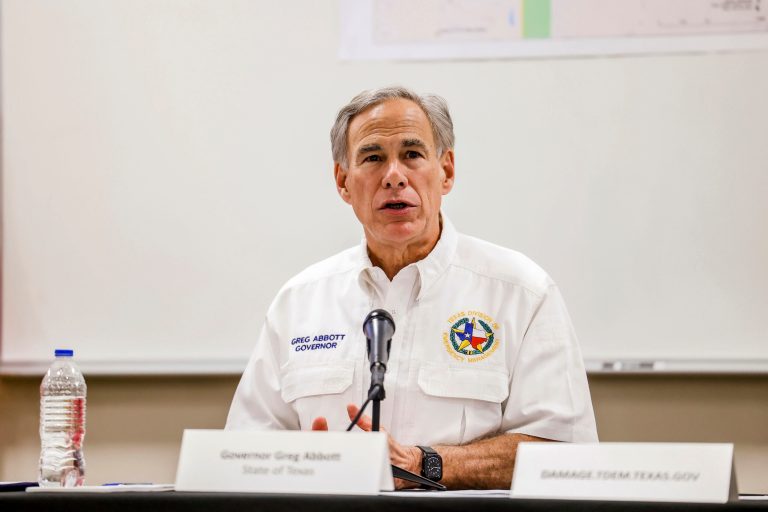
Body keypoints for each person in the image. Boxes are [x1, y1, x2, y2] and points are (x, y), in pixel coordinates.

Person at [226, 86, 598, 490]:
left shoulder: (521, 293)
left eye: (412, 155)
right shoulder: (299, 302)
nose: (393, 176)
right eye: (372, 158)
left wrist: (427, 464)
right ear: (343, 182)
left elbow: (564, 452)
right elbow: (245, 448)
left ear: (447, 171)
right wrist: (303, 463)